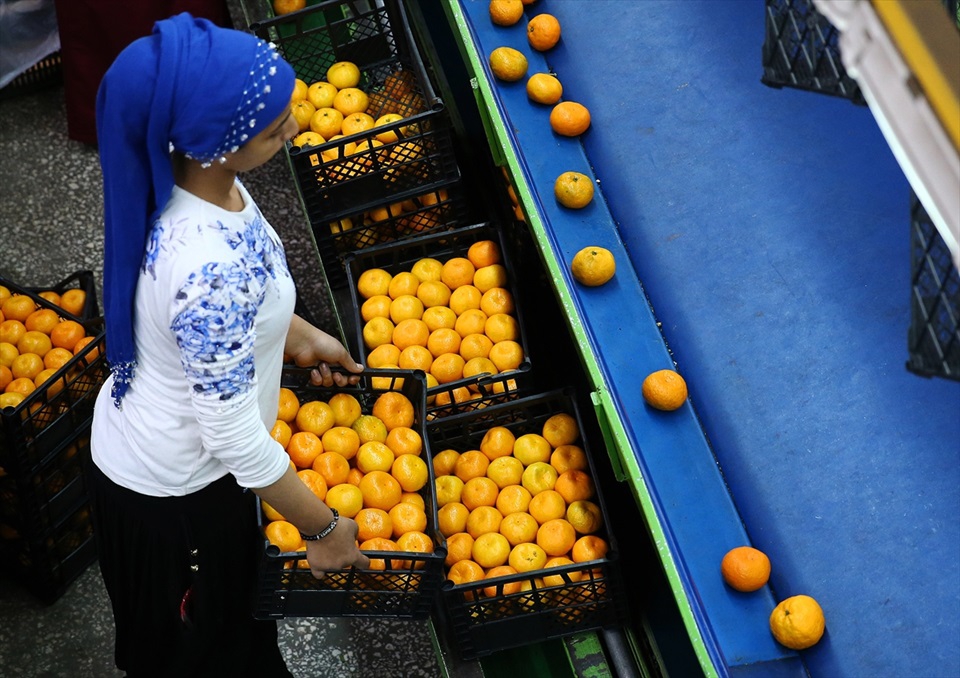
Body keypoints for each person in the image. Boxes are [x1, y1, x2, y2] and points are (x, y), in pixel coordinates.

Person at [88, 13, 370, 677]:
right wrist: (324, 529)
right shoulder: (205, 267)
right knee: (209, 658)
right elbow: (235, 439)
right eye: (276, 129)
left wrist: (295, 334)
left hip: (171, 463)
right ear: (216, 142)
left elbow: (216, 316)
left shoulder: (196, 183)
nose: (295, 130)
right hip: (175, 503)